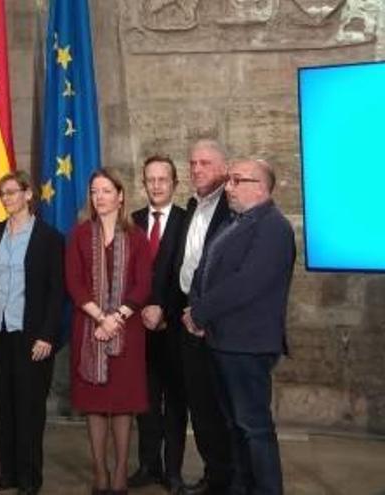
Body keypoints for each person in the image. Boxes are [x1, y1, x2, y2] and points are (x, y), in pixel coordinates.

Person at [183, 158, 294, 495]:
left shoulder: (273, 227)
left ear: (259, 186)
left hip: (248, 344)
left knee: (254, 427)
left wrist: (200, 313)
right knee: (234, 425)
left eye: (235, 180)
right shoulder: (237, 222)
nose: (227, 187)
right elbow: (206, 269)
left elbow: (246, 283)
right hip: (224, 341)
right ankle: (241, 487)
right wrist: (196, 310)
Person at [0, 171, 64, 495]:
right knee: (5, 407)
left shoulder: (49, 238)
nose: (8, 199)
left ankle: (29, 477)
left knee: (29, 409)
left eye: (13, 192)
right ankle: (7, 472)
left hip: (32, 336)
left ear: (28, 194)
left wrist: (47, 335)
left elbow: (56, 293)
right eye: (3, 194)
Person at [65, 167, 152, 495]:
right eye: (94, 192)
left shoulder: (137, 236)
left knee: (122, 403)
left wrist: (117, 318)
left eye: (105, 191)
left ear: (120, 196)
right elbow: (73, 283)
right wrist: (101, 318)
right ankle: (99, 470)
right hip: (88, 328)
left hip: (127, 332)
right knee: (95, 403)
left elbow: (144, 284)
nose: (98, 197)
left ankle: (119, 473)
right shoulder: (77, 235)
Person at [172, 139, 233, 494]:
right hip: (187, 318)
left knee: (223, 408)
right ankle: (215, 475)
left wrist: (205, 312)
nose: (196, 169)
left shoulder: (233, 207)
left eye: (205, 163)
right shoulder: (194, 205)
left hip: (218, 324)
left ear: (224, 168)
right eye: (193, 162)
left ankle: (231, 478)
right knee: (201, 407)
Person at [128, 156, 188, 492]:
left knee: (176, 403)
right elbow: (127, 273)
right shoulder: (133, 221)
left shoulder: (187, 220)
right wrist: (140, 309)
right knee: (145, 401)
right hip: (138, 328)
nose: (156, 185)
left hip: (174, 329)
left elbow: (189, 275)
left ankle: (174, 471)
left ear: (175, 183)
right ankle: (148, 465)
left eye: (163, 179)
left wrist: (163, 310)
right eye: (150, 179)